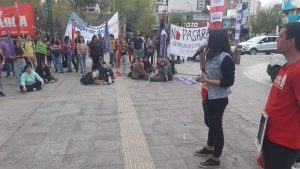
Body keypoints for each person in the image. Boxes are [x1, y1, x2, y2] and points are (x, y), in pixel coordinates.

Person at [194, 29, 235, 168]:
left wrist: (208, 81)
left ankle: (216, 158)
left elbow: (229, 81)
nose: (207, 41)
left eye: (210, 38)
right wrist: (201, 55)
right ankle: (209, 147)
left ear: (216, 40)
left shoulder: (226, 58)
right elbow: (204, 69)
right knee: (209, 122)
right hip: (207, 95)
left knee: (216, 127)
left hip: (218, 98)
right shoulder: (211, 54)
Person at [262, 22, 300, 169]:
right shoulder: (286, 67)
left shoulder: (298, 71)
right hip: (272, 136)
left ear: (291, 42)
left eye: (281, 35)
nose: (277, 39)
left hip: (284, 143)